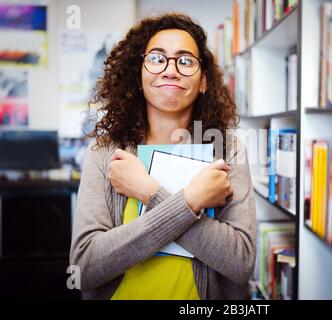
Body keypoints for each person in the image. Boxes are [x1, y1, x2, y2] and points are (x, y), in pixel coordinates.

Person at [70, 13, 256, 300]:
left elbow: (241, 262)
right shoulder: (105, 152)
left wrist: (149, 192)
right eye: (157, 58)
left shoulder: (227, 150)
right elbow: (85, 267)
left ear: (203, 80)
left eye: (185, 60)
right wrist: (191, 201)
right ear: (139, 74)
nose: (171, 70)